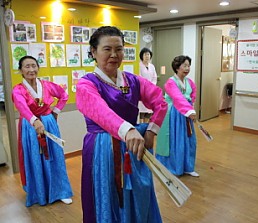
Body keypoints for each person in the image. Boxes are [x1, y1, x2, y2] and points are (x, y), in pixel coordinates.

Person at [76, 26, 168, 223]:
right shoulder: (86, 84)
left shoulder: (133, 80)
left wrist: (152, 130)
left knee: (138, 194)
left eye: (119, 49)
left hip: (133, 147)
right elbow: (101, 112)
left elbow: (160, 102)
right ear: (94, 52)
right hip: (103, 149)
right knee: (107, 195)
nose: (114, 55)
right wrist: (128, 129)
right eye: (107, 49)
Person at [12, 56, 73, 207]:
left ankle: (61, 191)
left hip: (48, 122)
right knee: (35, 157)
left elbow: (64, 95)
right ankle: (40, 193)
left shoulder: (46, 85)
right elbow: (21, 106)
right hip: (30, 125)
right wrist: (34, 121)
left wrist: (56, 111)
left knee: (54, 156)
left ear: (38, 68)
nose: (31, 69)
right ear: (20, 70)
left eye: (34, 66)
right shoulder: (18, 89)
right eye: (27, 66)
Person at [156, 55, 199, 177]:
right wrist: (190, 111)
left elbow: (192, 96)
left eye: (188, 65)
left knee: (189, 140)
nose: (187, 68)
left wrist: (191, 109)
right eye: (184, 65)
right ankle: (174, 166)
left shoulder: (189, 82)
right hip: (173, 115)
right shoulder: (170, 82)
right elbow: (178, 97)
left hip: (186, 115)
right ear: (177, 67)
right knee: (176, 140)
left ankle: (188, 166)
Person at [138, 47, 158, 123]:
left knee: (149, 111)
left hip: (151, 91)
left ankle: (146, 127)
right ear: (141, 56)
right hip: (142, 90)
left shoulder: (152, 66)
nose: (147, 56)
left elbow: (154, 77)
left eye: (148, 54)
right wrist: (145, 87)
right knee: (142, 110)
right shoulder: (139, 65)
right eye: (145, 54)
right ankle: (142, 127)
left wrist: (151, 86)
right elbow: (139, 77)